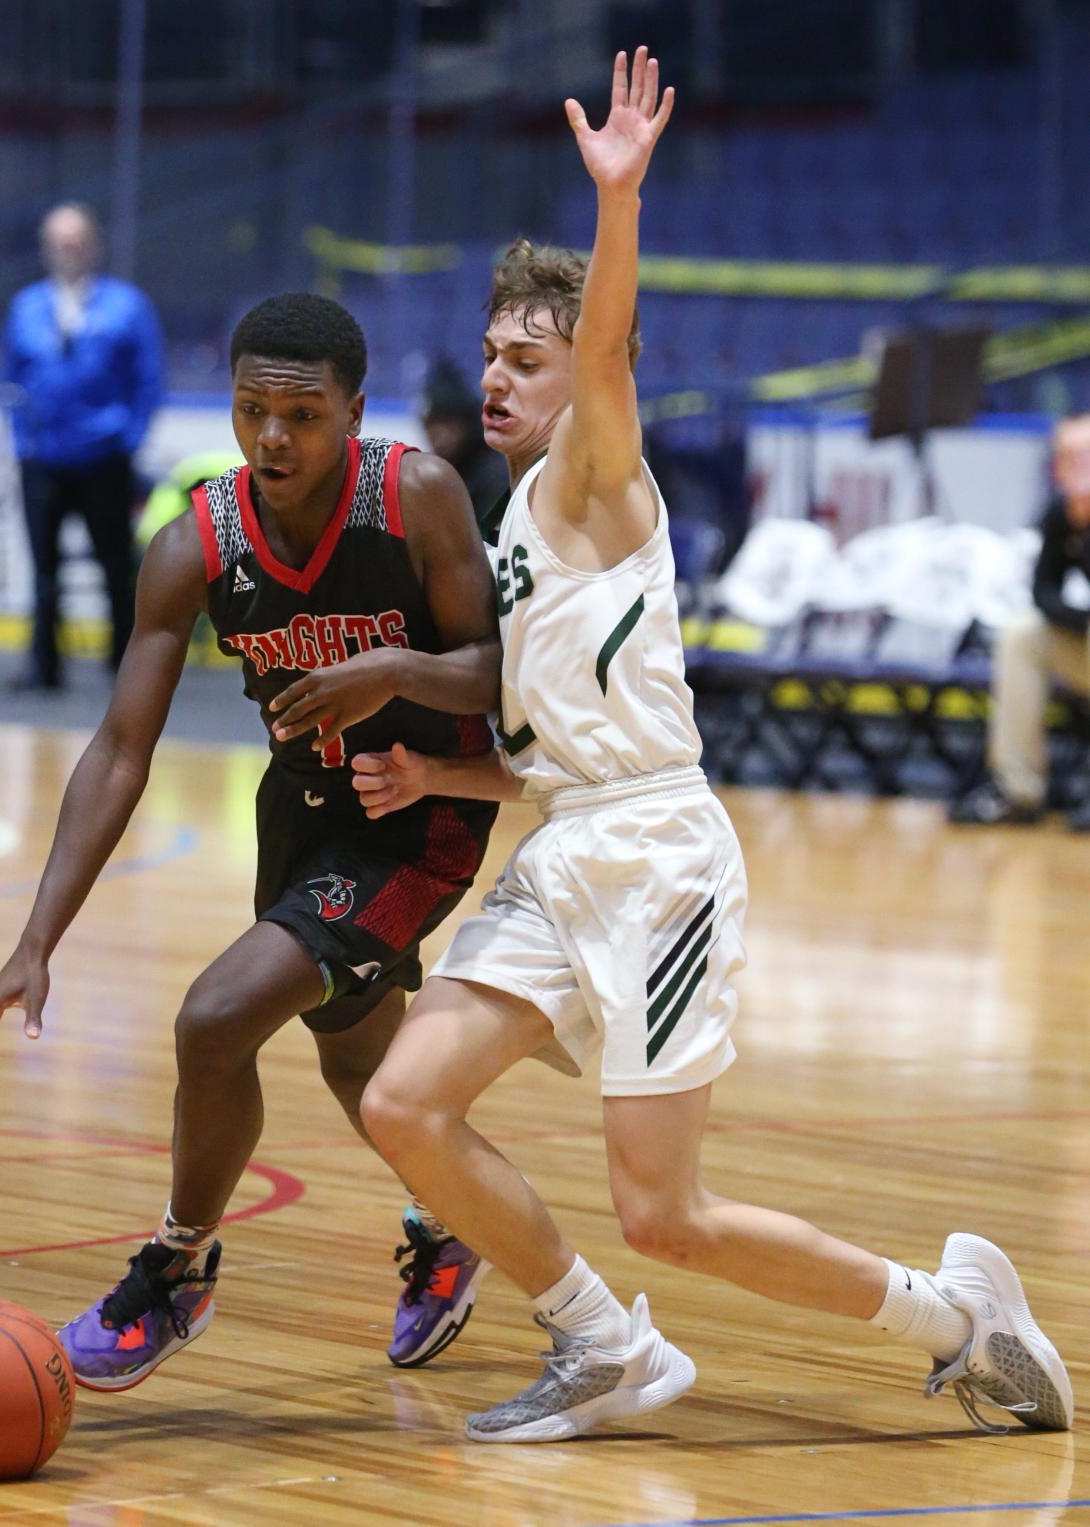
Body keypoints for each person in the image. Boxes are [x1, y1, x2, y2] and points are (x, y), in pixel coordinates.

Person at [354, 48, 1073, 1443]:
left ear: (579, 376)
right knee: (404, 1099)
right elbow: (556, 745)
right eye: (491, 351)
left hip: (658, 858)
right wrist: (444, 774)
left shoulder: (592, 468)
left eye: (528, 356)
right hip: (569, 842)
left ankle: (957, 1315)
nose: (498, 375)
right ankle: (596, 1341)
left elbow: (612, 344)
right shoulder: (517, 520)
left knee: (662, 1211)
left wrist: (616, 204)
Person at [0, 292, 502, 1390]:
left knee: (213, 1021)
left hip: (421, 813)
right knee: (359, 1061)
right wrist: (35, 939)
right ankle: (452, 1230)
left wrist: (390, 671)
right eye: (252, 410)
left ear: (354, 410)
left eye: (301, 415)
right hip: (302, 812)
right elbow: (119, 749)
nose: (272, 438)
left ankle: (177, 1267)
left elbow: (502, 671)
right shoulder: (197, 540)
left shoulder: (417, 498)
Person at [0, 203, 164, 691]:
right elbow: (10, 379)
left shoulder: (127, 305)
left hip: (104, 458)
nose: (68, 250)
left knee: (116, 567)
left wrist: (127, 439)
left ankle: (124, 666)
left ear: (94, 245)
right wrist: (20, 438)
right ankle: (45, 667)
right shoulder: (26, 306)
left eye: (76, 240)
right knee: (44, 572)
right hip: (42, 459)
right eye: (58, 241)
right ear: (45, 247)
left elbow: (149, 380)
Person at [950, 412, 1090, 830]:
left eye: (1085, 456)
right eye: (1067, 457)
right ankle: (1018, 789)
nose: (1075, 467)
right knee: (1022, 634)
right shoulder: (1062, 516)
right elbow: (1043, 592)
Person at [421, 356, 510, 542]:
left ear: (467, 423)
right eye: (431, 424)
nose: (439, 435)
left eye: (448, 423)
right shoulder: (445, 471)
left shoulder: (494, 473)